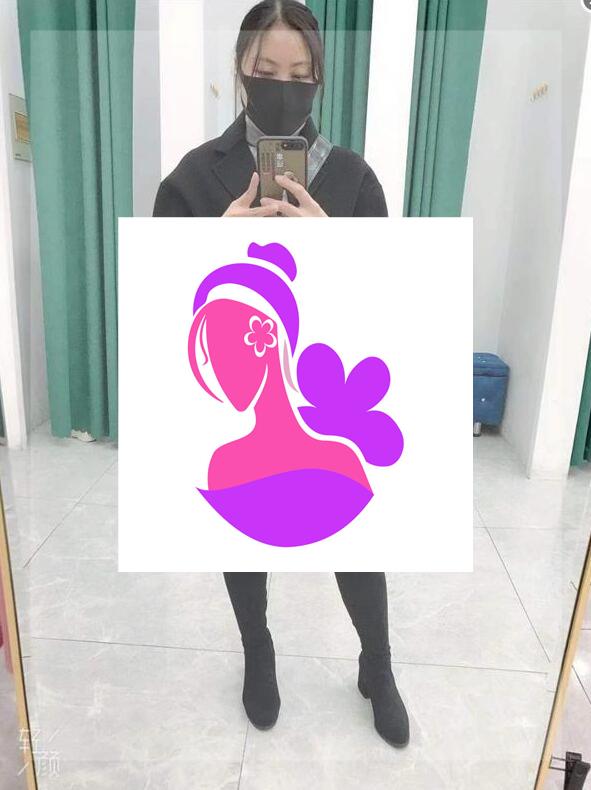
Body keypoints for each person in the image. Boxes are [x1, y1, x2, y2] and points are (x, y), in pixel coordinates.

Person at [153, 0, 409, 748]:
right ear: (241, 70)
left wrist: (336, 249)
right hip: (240, 397)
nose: (282, 89)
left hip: (331, 392)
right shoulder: (193, 179)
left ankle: (377, 662)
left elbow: (388, 308)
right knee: (241, 517)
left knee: (356, 525)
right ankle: (256, 648)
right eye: (266, 71)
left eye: (299, 75)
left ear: (319, 78)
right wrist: (213, 245)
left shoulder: (354, 180)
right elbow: (163, 311)